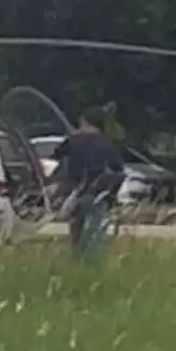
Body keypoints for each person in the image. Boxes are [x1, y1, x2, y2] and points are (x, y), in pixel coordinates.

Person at [51, 107, 126, 261]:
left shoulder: (73, 141)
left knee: (76, 230)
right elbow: (118, 169)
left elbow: (56, 154)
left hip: (75, 193)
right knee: (96, 232)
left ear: (84, 122)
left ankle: (76, 260)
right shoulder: (107, 144)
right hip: (98, 193)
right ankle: (91, 264)